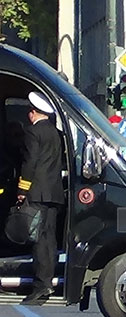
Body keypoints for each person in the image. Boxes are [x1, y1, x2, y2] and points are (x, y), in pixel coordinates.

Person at [18, 92, 65, 304]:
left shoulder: (33, 132)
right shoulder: (56, 133)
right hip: (54, 193)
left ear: (33, 112)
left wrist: (22, 189)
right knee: (49, 240)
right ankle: (48, 280)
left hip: (36, 192)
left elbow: (29, 163)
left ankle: (40, 285)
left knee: (37, 239)